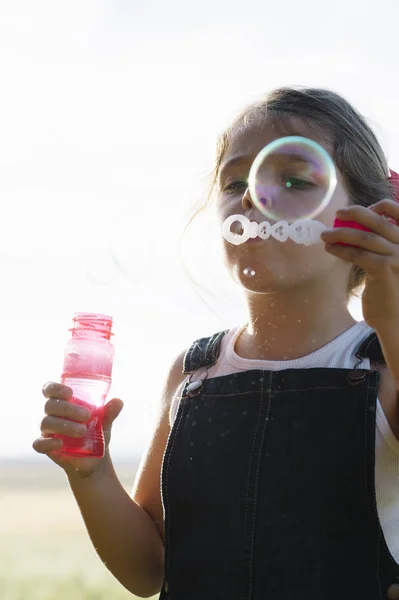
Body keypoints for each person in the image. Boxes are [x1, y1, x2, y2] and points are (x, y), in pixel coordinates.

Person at [33, 87, 399, 599]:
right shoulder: (194, 373)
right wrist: (90, 473)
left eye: (293, 178)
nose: (252, 197)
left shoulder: (386, 366)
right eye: (234, 182)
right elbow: (147, 572)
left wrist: (393, 318)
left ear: (369, 214)